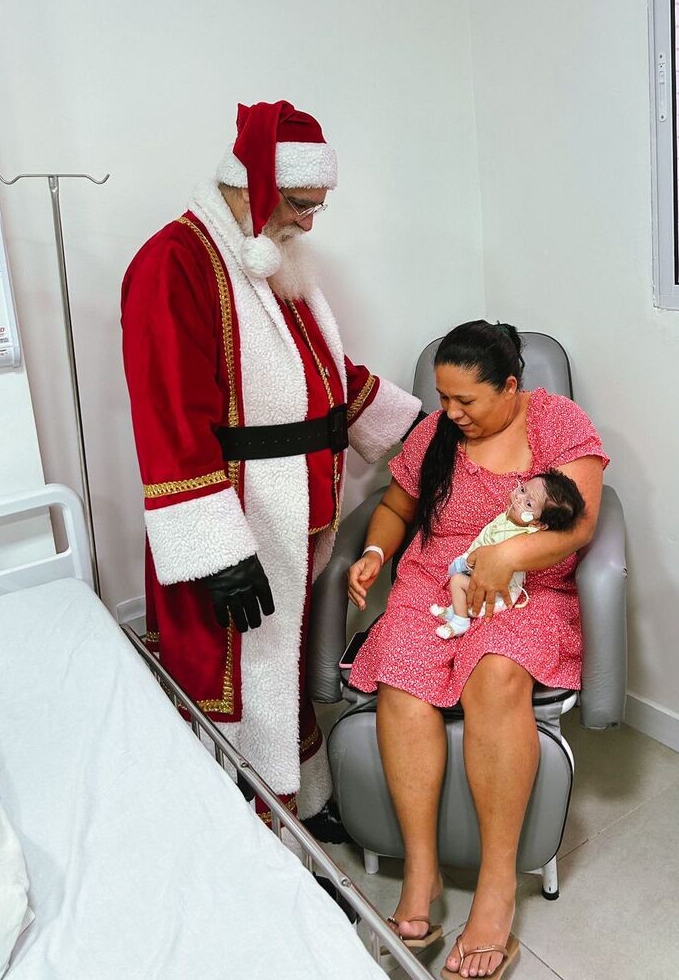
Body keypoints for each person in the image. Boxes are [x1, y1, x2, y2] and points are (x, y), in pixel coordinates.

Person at [121, 100, 421, 839]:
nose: (310, 224)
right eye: (301, 204)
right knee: (234, 680)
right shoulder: (175, 262)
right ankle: (242, 835)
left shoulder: (270, 255)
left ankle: (300, 802)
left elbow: (325, 373)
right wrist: (218, 552)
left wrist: (416, 428)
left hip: (292, 517)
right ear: (255, 183)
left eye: (319, 206)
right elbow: (168, 416)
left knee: (278, 670)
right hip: (234, 526)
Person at [346, 321, 608, 980]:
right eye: (443, 397)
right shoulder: (436, 433)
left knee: (496, 674)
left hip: (527, 589)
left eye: (466, 400)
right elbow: (397, 508)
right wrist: (375, 551)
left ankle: (495, 892)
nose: (451, 412)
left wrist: (507, 556)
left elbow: (579, 522)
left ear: (511, 386)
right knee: (402, 676)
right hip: (433, 582)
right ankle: (422, 874)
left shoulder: (557, 423)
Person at [431, 469, 585, 639]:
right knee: (459, 577)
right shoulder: (511, 518)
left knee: (457, 580)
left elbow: (490, 560)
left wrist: (464, 563)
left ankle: (461, 621)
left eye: (528, 503)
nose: (519, 497)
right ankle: (454, 610)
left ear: (538, 524)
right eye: (523, 489)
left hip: (498, 591)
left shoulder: (521, 536)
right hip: (482, 572)